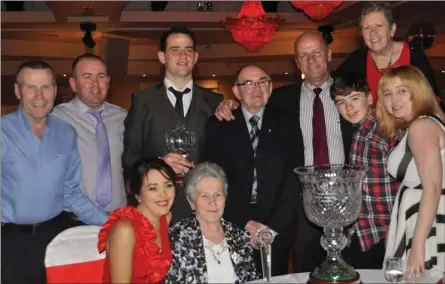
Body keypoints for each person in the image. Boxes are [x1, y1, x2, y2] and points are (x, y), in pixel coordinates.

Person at [215, 32, 354, 273]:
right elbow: (251, 107)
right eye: (303, 55)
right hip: (301, 203)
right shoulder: (280, 99)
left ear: (329, 54)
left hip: (346, 201)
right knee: (304, 269)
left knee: (349, 268)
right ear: (297, 62)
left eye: (316, 53)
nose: (311, 60)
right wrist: (230, 104)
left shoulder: (350, 95)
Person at [1, 60, 109, 284]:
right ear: (17, 91)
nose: (39, 95)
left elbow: (70, 192)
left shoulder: (66, 133)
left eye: (46, 87)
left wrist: (111, 222)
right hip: (10, 243)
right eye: (30, 87)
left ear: (55, 90)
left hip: (56, 238)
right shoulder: (3, 132)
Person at [206, 64, 304, 276]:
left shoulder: (288, 121)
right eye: (248, 83)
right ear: (236, 91)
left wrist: (272, 227)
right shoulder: (218, 125)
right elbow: (213, 180)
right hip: (232, 224)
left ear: (270, 87)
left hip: (277, 227)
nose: (257, 88)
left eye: (263, 82)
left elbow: (294, 178)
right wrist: (243, 222)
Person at [123, 26, 223, 224]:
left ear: (195, 57)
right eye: (175, 49)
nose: (182, 55)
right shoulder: (142, 100)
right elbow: (130, 156)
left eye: (188, 49)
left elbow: (224, 156)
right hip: (156, 207)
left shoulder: (215, 101)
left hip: (203, 207)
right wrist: (159, 163)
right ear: (162, 56)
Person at [376, 65, 445, 282]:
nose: (394, 99)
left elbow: (433, 187)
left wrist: (417, 245)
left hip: (426, 225)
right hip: (425, 219)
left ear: (418, 91)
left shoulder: (421, 126)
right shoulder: (431, 120)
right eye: (387, 93)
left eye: (402, 91)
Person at [330, 75, 399, 269]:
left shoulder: (388, 129)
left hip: (385, 232)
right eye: (341, 102)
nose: (348, 108)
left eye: (354, 98)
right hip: (362, 230)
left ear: (369, 98)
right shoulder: (359, 132)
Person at [53, 53, 127, 212]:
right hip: (74, 218)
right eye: (87, 77)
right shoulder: (57, 119)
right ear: (73, 84)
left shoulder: (123, 117)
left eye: (101, 76)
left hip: (117, 217)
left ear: (108, 82)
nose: (95, 84)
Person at [166, 162, 261, 283]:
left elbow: (252, 279)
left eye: (218, 195)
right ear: (191, 202)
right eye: (204, 196)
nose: (213, 202)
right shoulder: (176, 239)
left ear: (225, 198)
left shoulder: (239, 236)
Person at [336, 1, 441, 107]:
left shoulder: (413, 55)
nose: (373, 33)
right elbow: (335, 86)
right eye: (367, 28)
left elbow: (433, 100)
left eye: (379, 26)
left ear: (392, 30)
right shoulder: (357, 59)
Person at [97, 158, 176, 283]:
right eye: (153, 188)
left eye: (168, 185)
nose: (164, 195)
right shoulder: (124, 229)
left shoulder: (165, 218)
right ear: (138, 195)